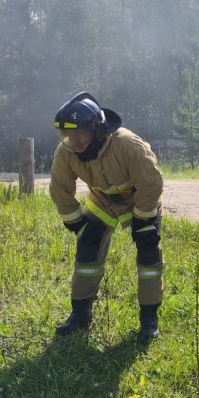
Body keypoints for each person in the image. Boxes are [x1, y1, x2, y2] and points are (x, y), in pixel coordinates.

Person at [49, 92, 164, 344]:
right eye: (68, 134)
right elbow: (59, 189)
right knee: (87, 249)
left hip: (139, 202)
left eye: (81, 133)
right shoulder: (66, 151)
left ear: (99, 130)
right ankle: (80, 314)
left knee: (148, 252)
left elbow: (151, 183)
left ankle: (149, 319)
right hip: (102, 202)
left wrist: (144, 221)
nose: (75, 141)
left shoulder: (128, 145)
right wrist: (78, 224)